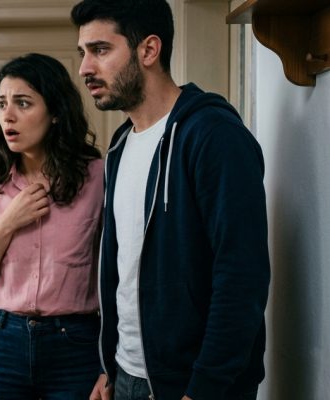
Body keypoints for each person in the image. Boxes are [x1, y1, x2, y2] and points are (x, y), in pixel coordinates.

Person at [71, 1, 271, 399]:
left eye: (100, 50)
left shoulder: (213, 136)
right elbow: (123, 270)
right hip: (126, 376)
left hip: (192, 385)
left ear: (148, 50)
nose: (85, 68)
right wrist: (109, 367)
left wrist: (204, 388)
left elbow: (241, 275)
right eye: (83, 53)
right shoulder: (120, 145)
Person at [0, 53, 105, 399]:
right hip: (2, 341)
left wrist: (109, 363)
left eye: (23, 103)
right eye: (1, 104)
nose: (7, 115)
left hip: (76, 345)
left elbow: (118, 274)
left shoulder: (98, 177)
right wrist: (8, 222)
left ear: (55, 112)